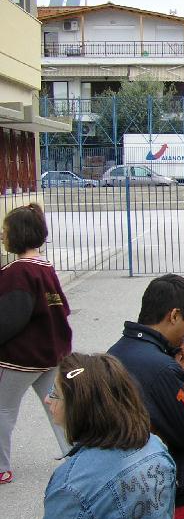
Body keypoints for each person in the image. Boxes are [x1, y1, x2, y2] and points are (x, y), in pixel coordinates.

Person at [35, 352, 177, 519]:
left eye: (55, 393)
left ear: (79, 408)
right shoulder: (155, 446)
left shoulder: (72, 484)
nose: (47, 399)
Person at [108, 274, 184, 519]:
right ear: (173, 315)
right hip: (168, 501)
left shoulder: (116, 353)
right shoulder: (162, 368)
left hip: (129, 493)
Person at [0, 203, 71, 485]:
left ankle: (2, 467)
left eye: (5, 231)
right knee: (57, 407)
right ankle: (74, 455)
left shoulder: (17, 271)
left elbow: (11, 318)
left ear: (17, 235)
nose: (2, 236)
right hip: (49, 354)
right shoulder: (45, 267)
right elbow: (61, 308)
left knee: (3, 410)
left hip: (20, 358)